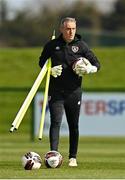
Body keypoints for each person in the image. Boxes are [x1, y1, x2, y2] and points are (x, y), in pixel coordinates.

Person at [39, 17, 100, 167]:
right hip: (56, 91)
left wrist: (90, 69)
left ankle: (73, 157)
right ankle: (54, 155)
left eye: (73, 28)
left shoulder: (81, 46)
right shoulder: (52, 45)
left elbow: (97, 63)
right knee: (55, 122)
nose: (71, 31)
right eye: (67, 28)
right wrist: (49, 70)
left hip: (74, 92)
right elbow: (41, 62)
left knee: (74, 125)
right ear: (61, 29)